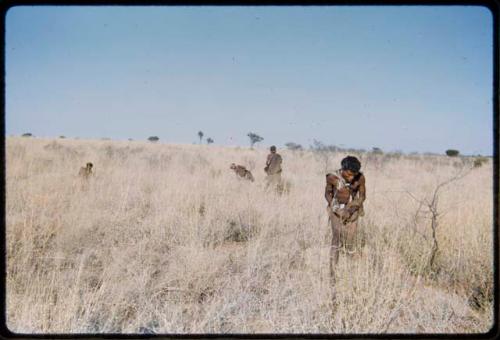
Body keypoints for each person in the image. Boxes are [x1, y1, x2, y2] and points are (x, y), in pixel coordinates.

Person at [325, 156, 366, 282]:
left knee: (350, 241)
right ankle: (332, 273)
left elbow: (362, 196)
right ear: (343, 169)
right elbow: (327, 194)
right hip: (336, 209)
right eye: (348, 175)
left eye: (354, 175)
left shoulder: (360, 178)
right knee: (336, 240)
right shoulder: (332, 177)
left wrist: (352, 209)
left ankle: (351, 273)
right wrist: (337, 210)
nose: (351, 178)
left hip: (353, 210)